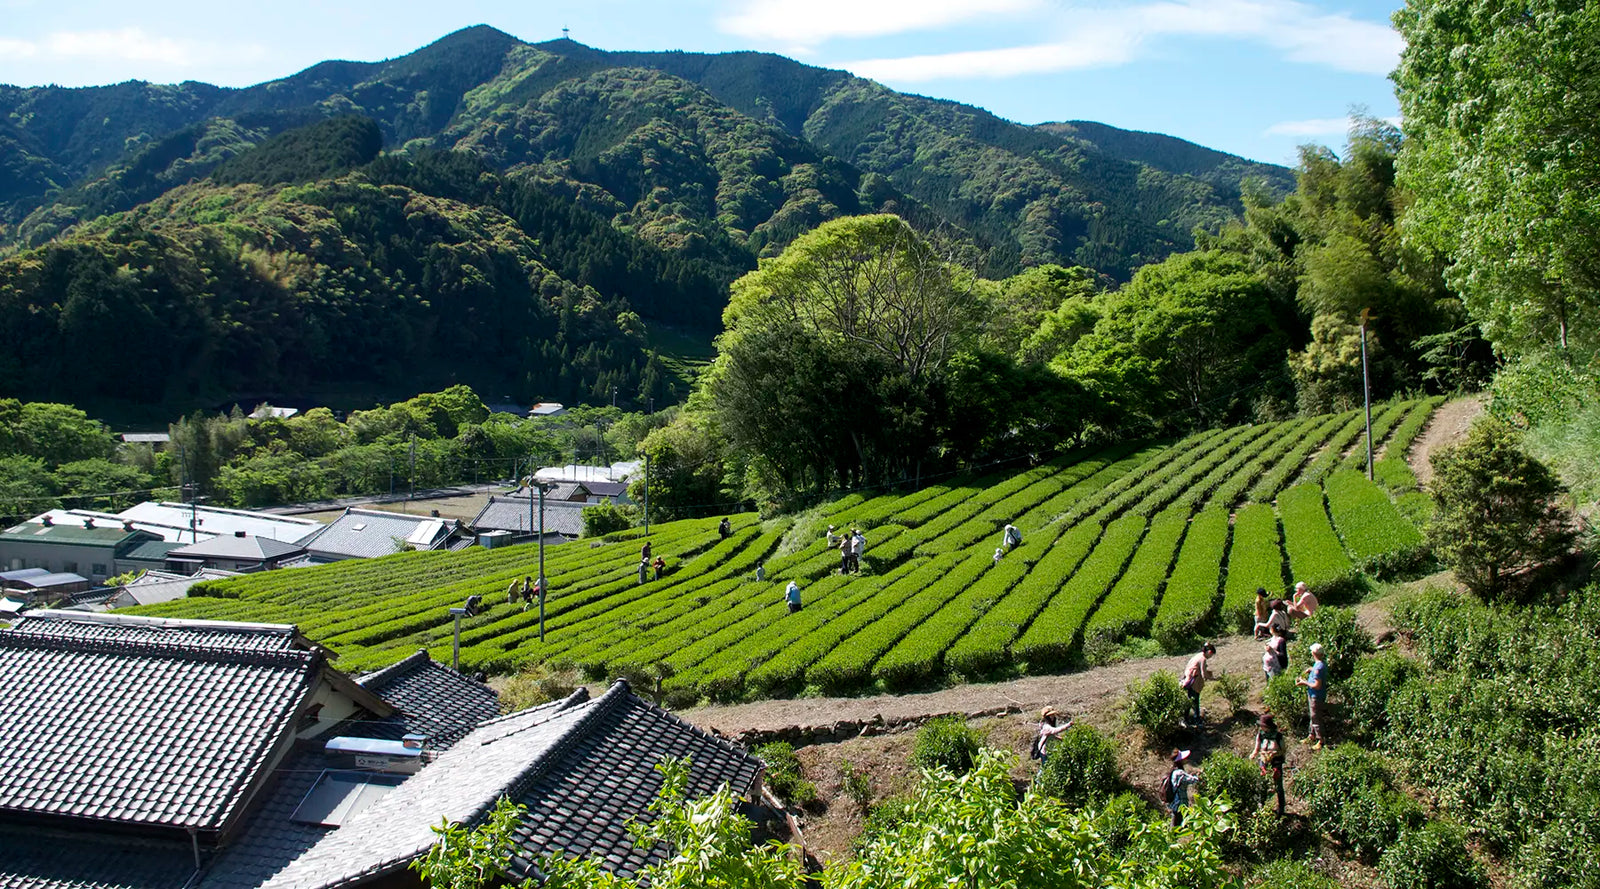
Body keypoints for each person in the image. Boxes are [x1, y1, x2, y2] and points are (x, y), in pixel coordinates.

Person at [1252, 713, 1287, 815]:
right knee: (1262, 784)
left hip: (1276, 762)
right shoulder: (1261, 735)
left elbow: (1283, 750)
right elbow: (1257, 748)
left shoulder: (1278, 736)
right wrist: (1254, 754)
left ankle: (1281, 809)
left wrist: (1274, 754)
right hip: (1264, 761)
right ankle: (1261, 806)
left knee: (1278, 786)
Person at [1296, 642, 1329, 749]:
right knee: (1313, 716)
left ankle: (1321, 740)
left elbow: (1317, 685)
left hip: (1316, 696)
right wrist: (1311, 669)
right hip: (1315, 695)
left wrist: (1304, 682)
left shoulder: (1318, 668)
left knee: (1316, 717)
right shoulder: (1320, 664)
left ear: (1314, 653)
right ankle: (1312, 735)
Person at [1181, 642, 1216, 727]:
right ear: (1210, 652)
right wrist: (1214, 679)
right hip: (1194, 683)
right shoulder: (1203, 659)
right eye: (1211, 655)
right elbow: (1204, 674)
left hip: (1189, 680)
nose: (1210, 657)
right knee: (1195, 702)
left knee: (1190, 701)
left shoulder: (1198, 655)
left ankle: (1186, 719)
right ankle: (1197, 721)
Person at [1167, 749, 1201, 826]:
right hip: (1179, 803)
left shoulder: (1174, 771)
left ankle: (1171, 836)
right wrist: (1198, 776)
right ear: (1180, 761)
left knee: (1176, 823)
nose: (1186, 759)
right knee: (1177, 825)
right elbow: (1192, 780)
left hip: (1176, 803)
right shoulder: (1179, 773)